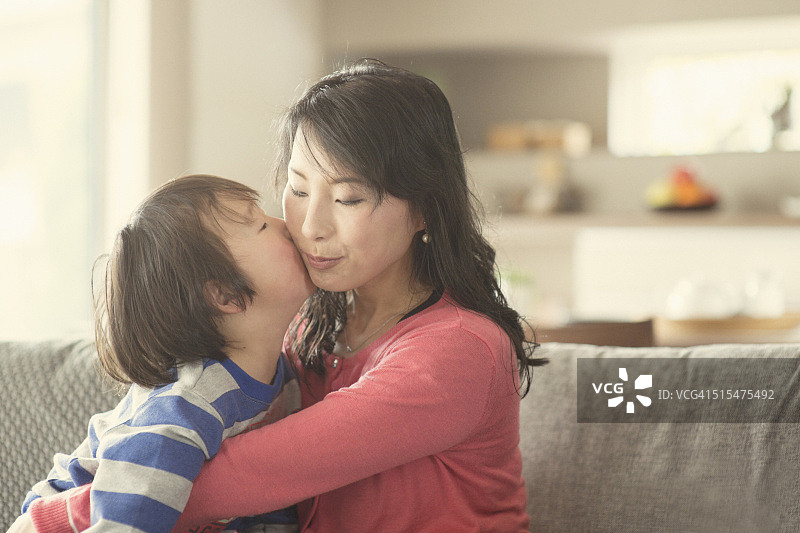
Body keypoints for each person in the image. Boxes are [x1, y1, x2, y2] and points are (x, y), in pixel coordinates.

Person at [20, 59, 546, 532]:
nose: (310, 225)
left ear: (427, 207)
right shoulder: (301, 326)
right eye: (297, 189)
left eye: (348, 197)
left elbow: (235, 480)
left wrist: (47, 520)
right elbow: (161, 415)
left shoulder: (457, 349)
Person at [11, 175, 314, 533]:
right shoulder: (185, 405)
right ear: (225, 296)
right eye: (261, 224)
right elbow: (126, 520)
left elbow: (268, 498)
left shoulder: (286, 376)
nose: (285, 223)